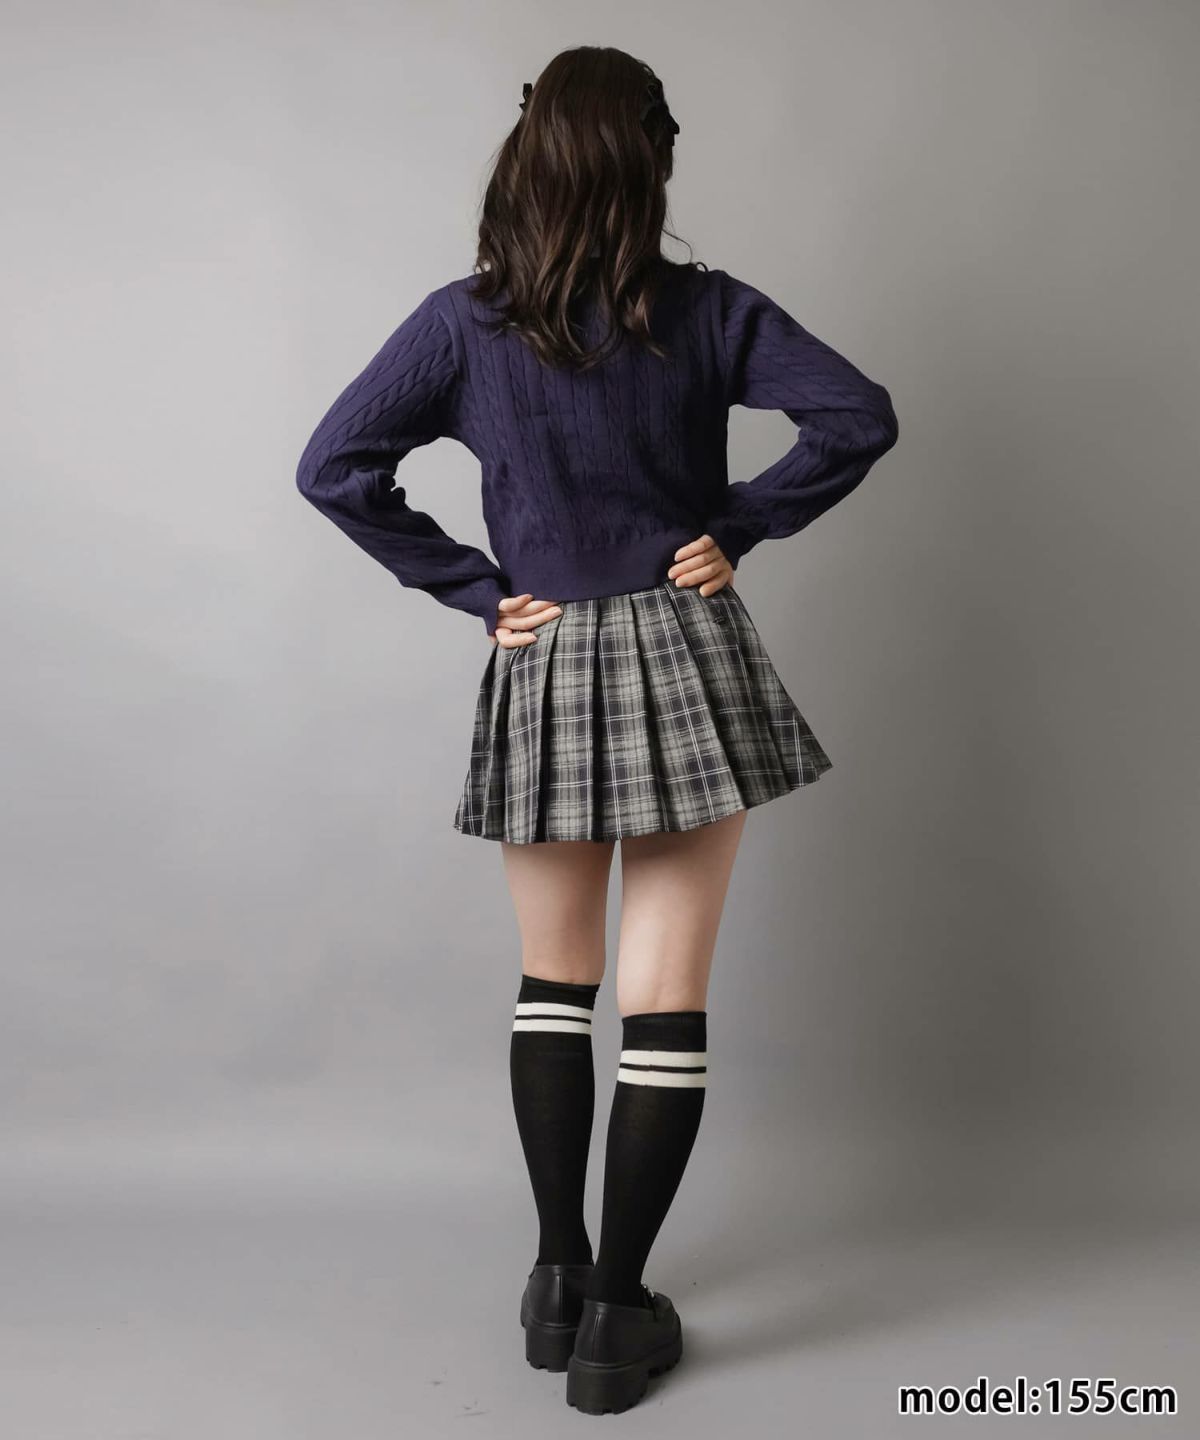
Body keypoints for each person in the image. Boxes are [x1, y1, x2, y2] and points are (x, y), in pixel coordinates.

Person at [294, 44, 898, 1417]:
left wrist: (474, 588)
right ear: (653, 160)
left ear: (528, 157)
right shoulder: (709, 308)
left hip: (547, 652)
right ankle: (620, 1318)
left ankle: (556, 1279)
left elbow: (333, 467)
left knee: (552, 984)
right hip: (687, 652)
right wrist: (740, 525)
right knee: (663, 1000)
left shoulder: (463, 323)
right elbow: (857, 416)